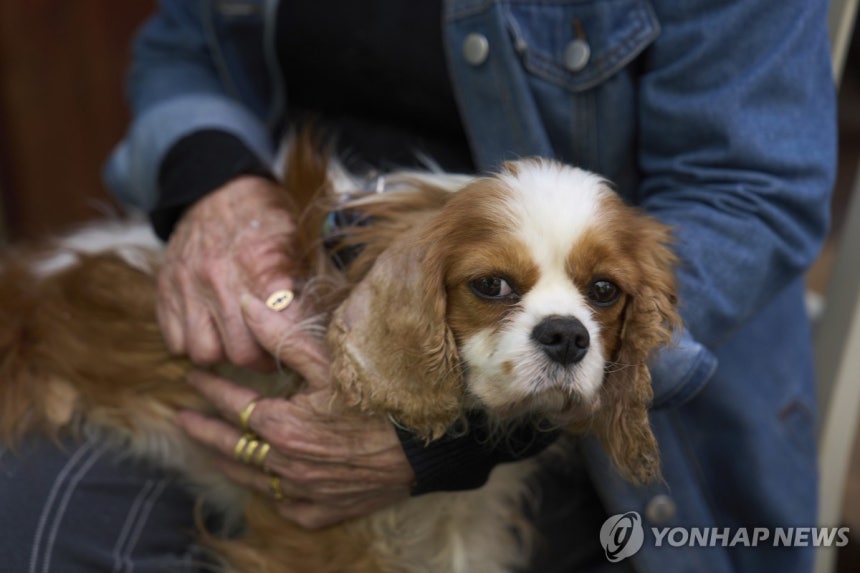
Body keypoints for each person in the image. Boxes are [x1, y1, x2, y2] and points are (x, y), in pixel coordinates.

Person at [0, 1, 836, 571]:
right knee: (32, 528)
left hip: (616, 439)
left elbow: (753, 193)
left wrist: (450, 440)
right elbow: (184, 49)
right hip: (288, 313)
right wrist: (214, 182)